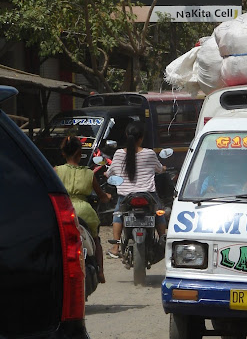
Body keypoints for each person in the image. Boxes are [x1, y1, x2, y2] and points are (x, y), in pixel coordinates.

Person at [106, 121, 167, 258]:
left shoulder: (118, 154)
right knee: (159, 213)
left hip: (126, 197)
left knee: (117, 215)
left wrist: (107, 174)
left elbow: (110, 172)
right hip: (148, 195)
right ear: (141, 138)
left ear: (127, 135)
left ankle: (115, 247)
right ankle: (164, 240)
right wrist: (163, 169)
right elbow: (159, 168)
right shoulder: (150, 153)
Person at [55, 135, 110, 283]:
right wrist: (107, 197)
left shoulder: (56, 171)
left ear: (63, 153)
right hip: (85, 213)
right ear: (80, 154)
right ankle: (100, 271)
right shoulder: (88, 173)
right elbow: (101, 195)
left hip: (64, 212)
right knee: (96, 240)